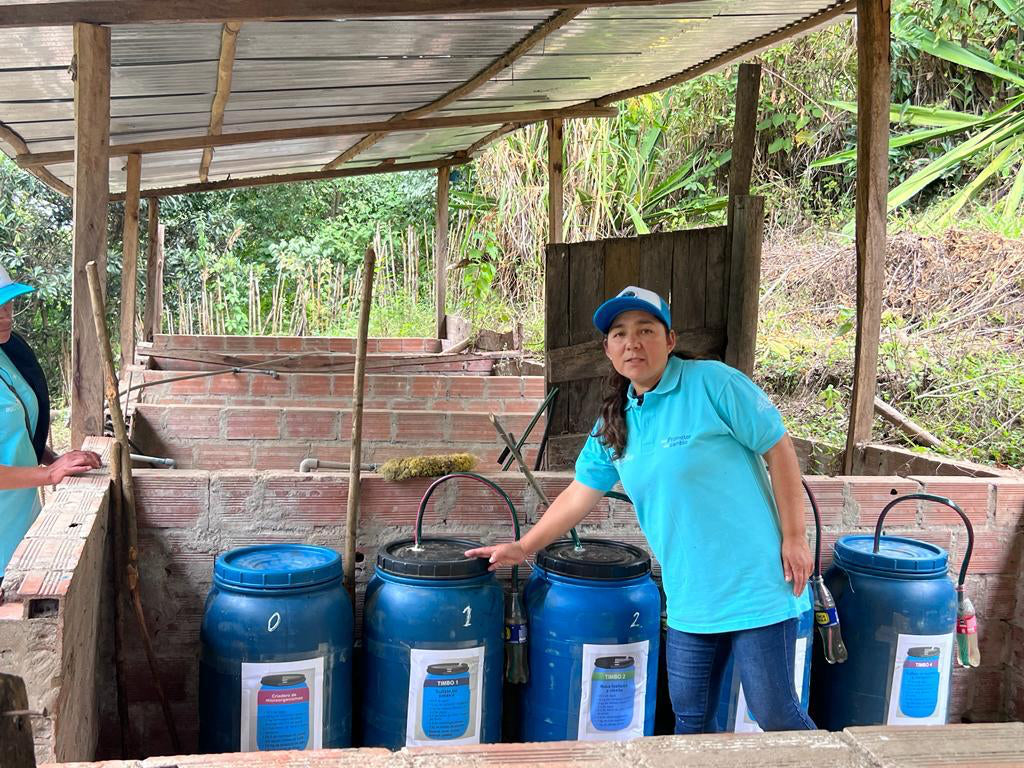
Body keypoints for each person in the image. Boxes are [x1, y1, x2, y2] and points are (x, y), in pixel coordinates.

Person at [468, 285, 815, 734]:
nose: (633, 342)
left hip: (757, 582)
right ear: (607, 348)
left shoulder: (712, 383)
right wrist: (524, 545)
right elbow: (580, 492)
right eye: (620, 333)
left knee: (775, 714)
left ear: (669, 340)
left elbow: (778, 448)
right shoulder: (615, 421)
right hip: (691, 594)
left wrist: (794, 535)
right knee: (690, 718)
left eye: (646, 330)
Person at [0, 266, 101, 579]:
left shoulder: (7, 353)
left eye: (7, 305)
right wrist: (49, 475)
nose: (5, 316)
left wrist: (51, 458)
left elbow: (16, 425)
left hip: (18, 518)